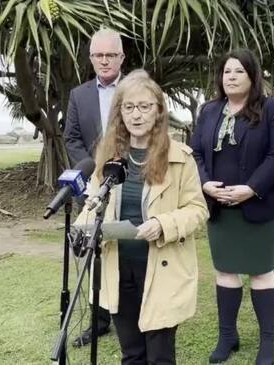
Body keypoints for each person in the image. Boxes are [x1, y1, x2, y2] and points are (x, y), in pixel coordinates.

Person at [74, 71, 208, 364]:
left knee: (159, 356)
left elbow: (198, 210)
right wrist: (81, 229)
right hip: (118, 267)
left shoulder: (180, 158)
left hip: (162, 267)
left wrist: (163, 225)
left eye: (145, 107)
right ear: (119, 112)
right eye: (129, 107)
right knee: (131, 353)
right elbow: (93, 202)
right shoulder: (107, 156)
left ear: (159, 111)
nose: (137, 115)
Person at [190, 49, 274, 365]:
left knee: (261, 273)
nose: (231, 77)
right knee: (225, 272)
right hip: (220, 209)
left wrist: (250, 189)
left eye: (238, 72)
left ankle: (266, 344)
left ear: (252, 76)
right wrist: (205, 184)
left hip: (259, 207)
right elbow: (196, 154)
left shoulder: (271, 110)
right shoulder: (209, 111)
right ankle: (227, 336)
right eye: (226, 72)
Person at [63, 27, 125, 346]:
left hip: (131, 179)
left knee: (127, 245)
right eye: (99, 55)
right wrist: (92, 166)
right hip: (93, 184)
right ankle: (100, 320)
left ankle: (129, 314)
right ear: (91, 58)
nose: (104, 60)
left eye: (110, 55)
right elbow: (70, 137)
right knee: (92, 248)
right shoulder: (79, 95)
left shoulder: (136, 88)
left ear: (121, 57)